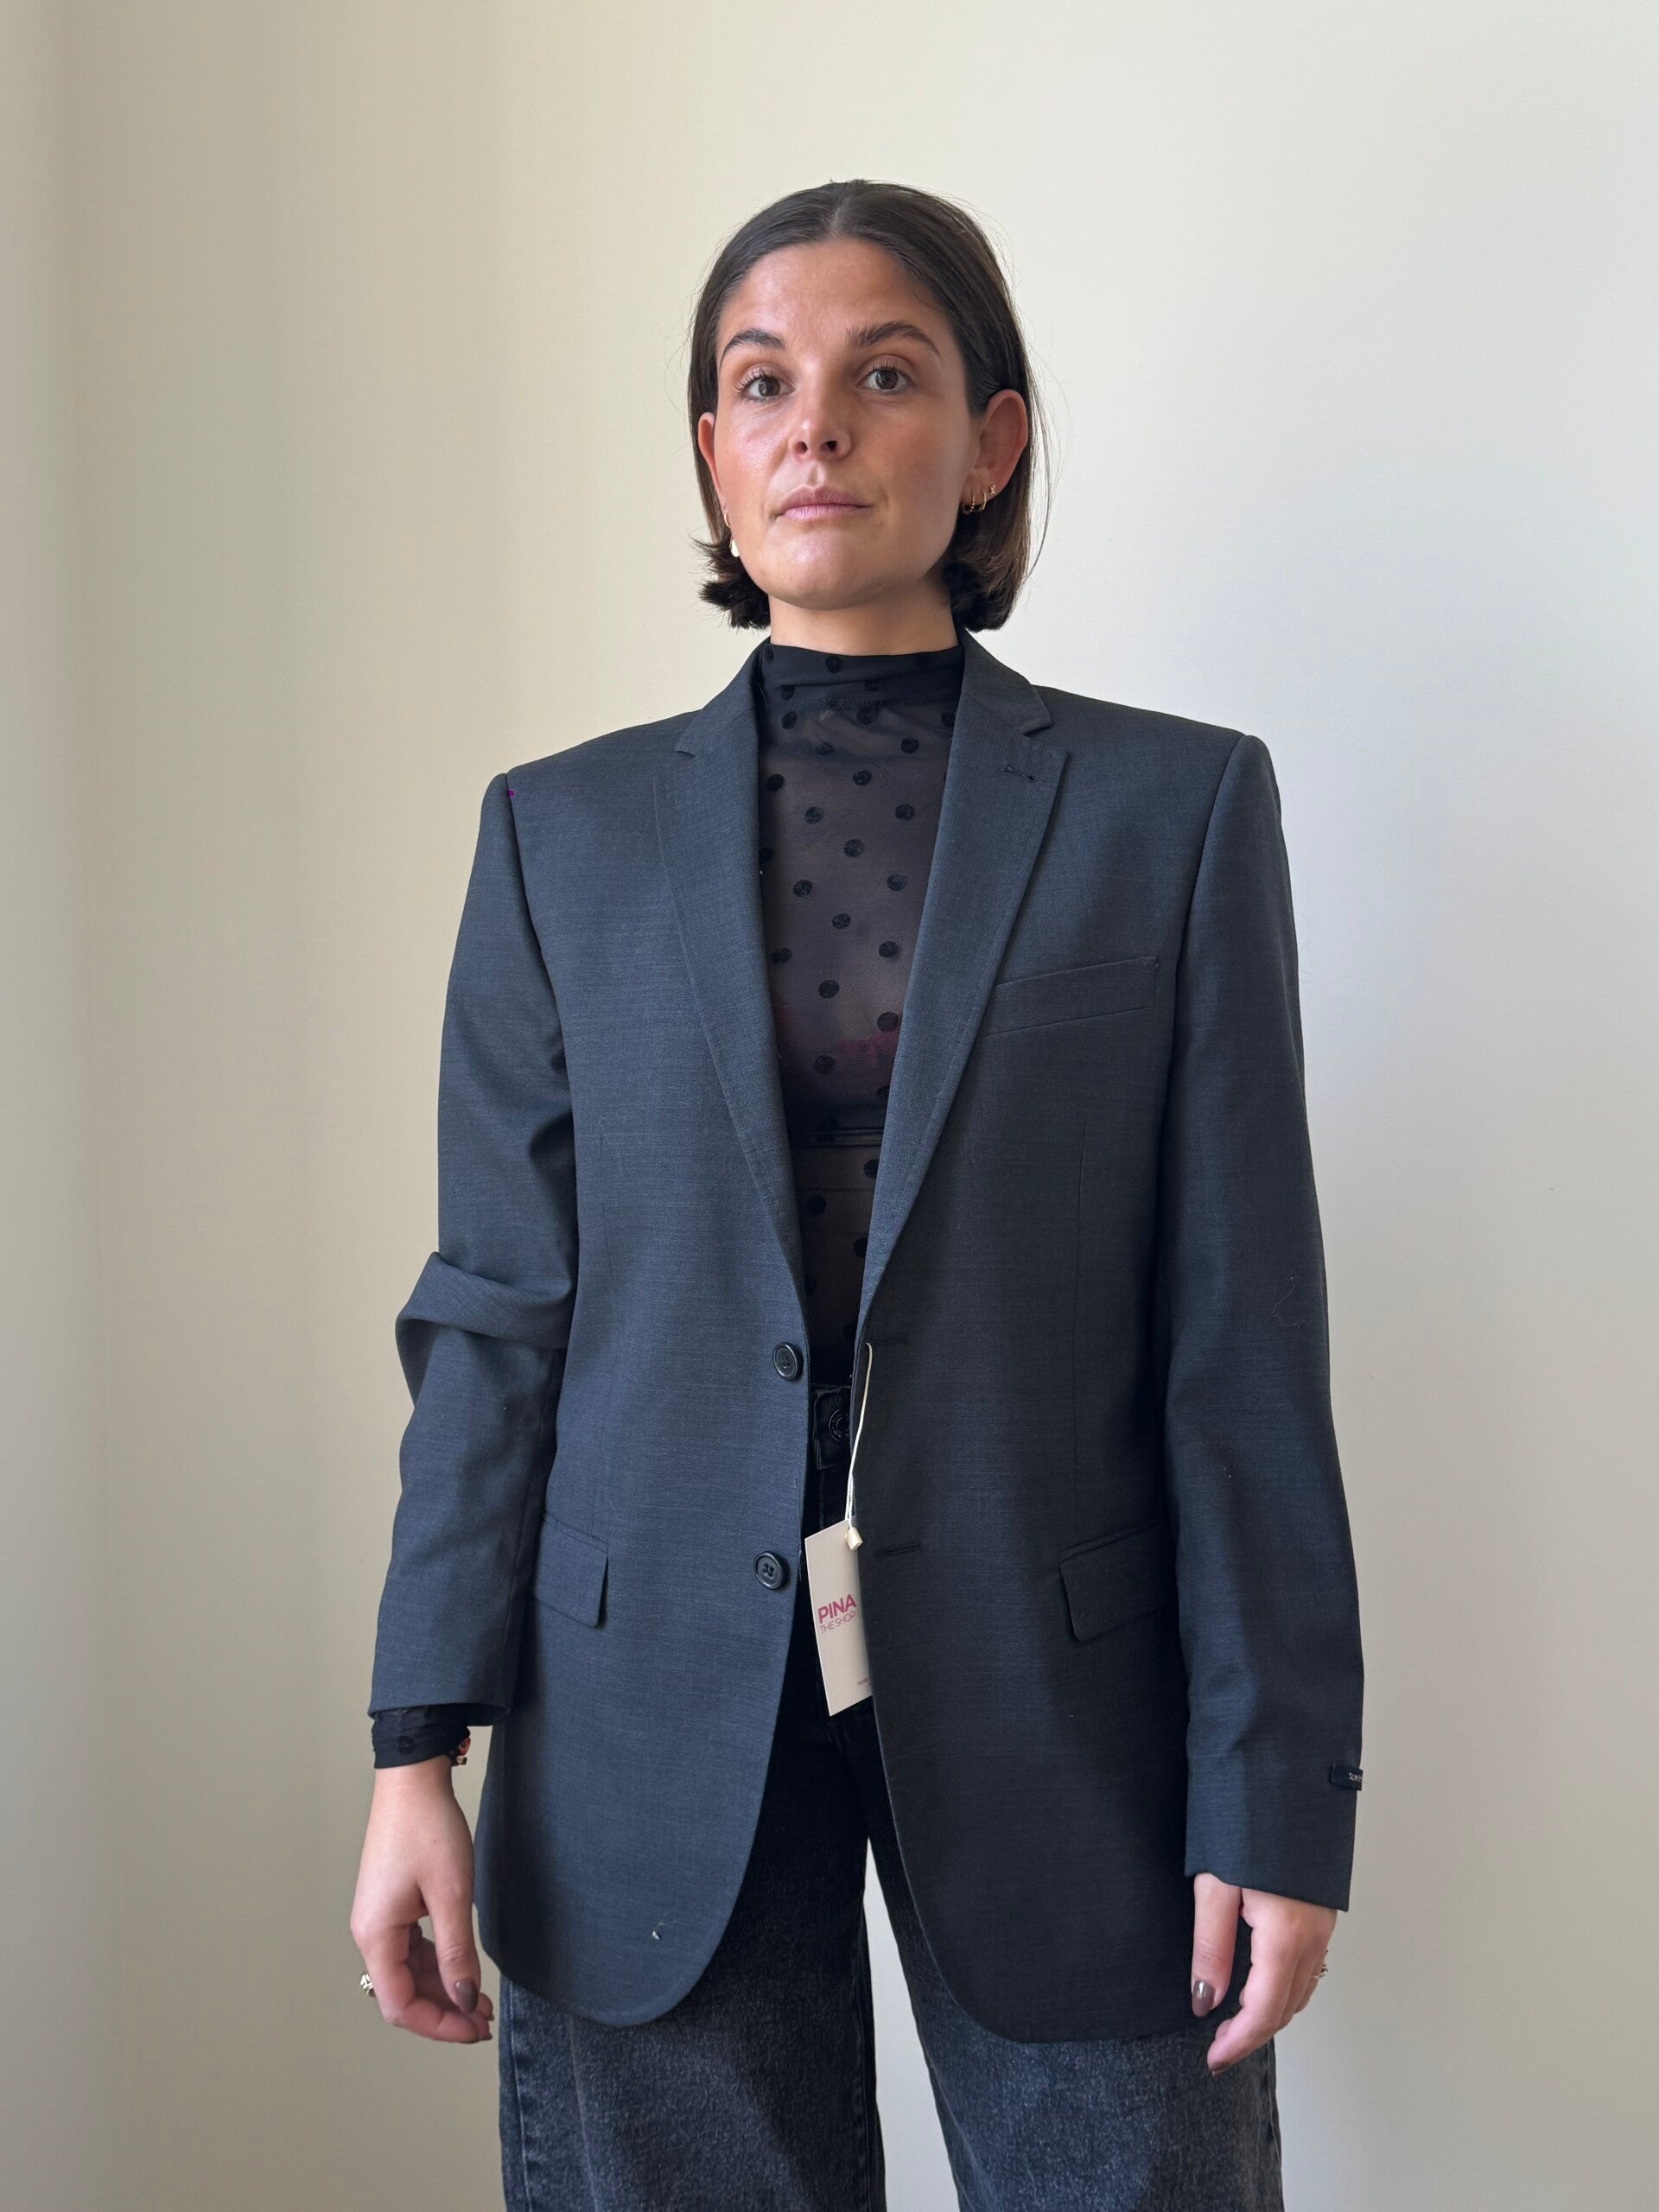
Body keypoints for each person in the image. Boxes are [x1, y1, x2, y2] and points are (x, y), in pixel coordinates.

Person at [350, 178, 1364, 2212]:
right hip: (638, 1698)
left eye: (882, 374)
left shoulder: (1174, 812)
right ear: (713, 454)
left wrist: (1280, 1793)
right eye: (760, 382)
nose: (813, 420)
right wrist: (413, 1747)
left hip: (1071, 1694)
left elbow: (1240, 1336)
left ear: (990, 439)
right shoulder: (559, 835)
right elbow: (498, 1310)